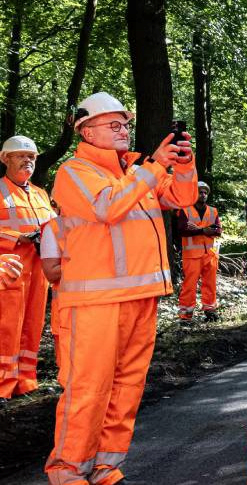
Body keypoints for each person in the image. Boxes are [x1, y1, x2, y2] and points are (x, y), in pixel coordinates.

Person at [46, 91, 197, 485]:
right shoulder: (74, 172)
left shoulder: (135, 169)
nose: (123, 130)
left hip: (140, 298)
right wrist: (151, 169)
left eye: (124, 124)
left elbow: (184, 197)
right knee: (88, 389)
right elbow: (107, 208)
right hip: (93, 302)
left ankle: (104, 466)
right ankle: (67, 470)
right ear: (86, 131)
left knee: (127, 388)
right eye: (113, 124)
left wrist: (181, 165)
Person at [0, 135, 55, 399]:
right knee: (7, 327)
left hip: (38, 268)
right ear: (5, 159)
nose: (28, 161)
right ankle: (3, 386)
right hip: (9, 269)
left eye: (32, 157)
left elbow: (54, 227)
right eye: (21, 156)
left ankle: (26, 381)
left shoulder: (41, 194)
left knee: (33, 324)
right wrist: (15, 237)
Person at [174, 181, 222, 322]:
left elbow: (218, 230)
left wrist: (196, 228)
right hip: (192, 255)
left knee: (210, 283)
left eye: (205, 192)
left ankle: (210, 310)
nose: (203, 194)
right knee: (189, 284)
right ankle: (186, 313)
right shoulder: (185, 210)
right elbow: (182, 230)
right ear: (194, 193)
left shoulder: (213, 211)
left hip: (210, 254)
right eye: (200, 192)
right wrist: (204, 230)